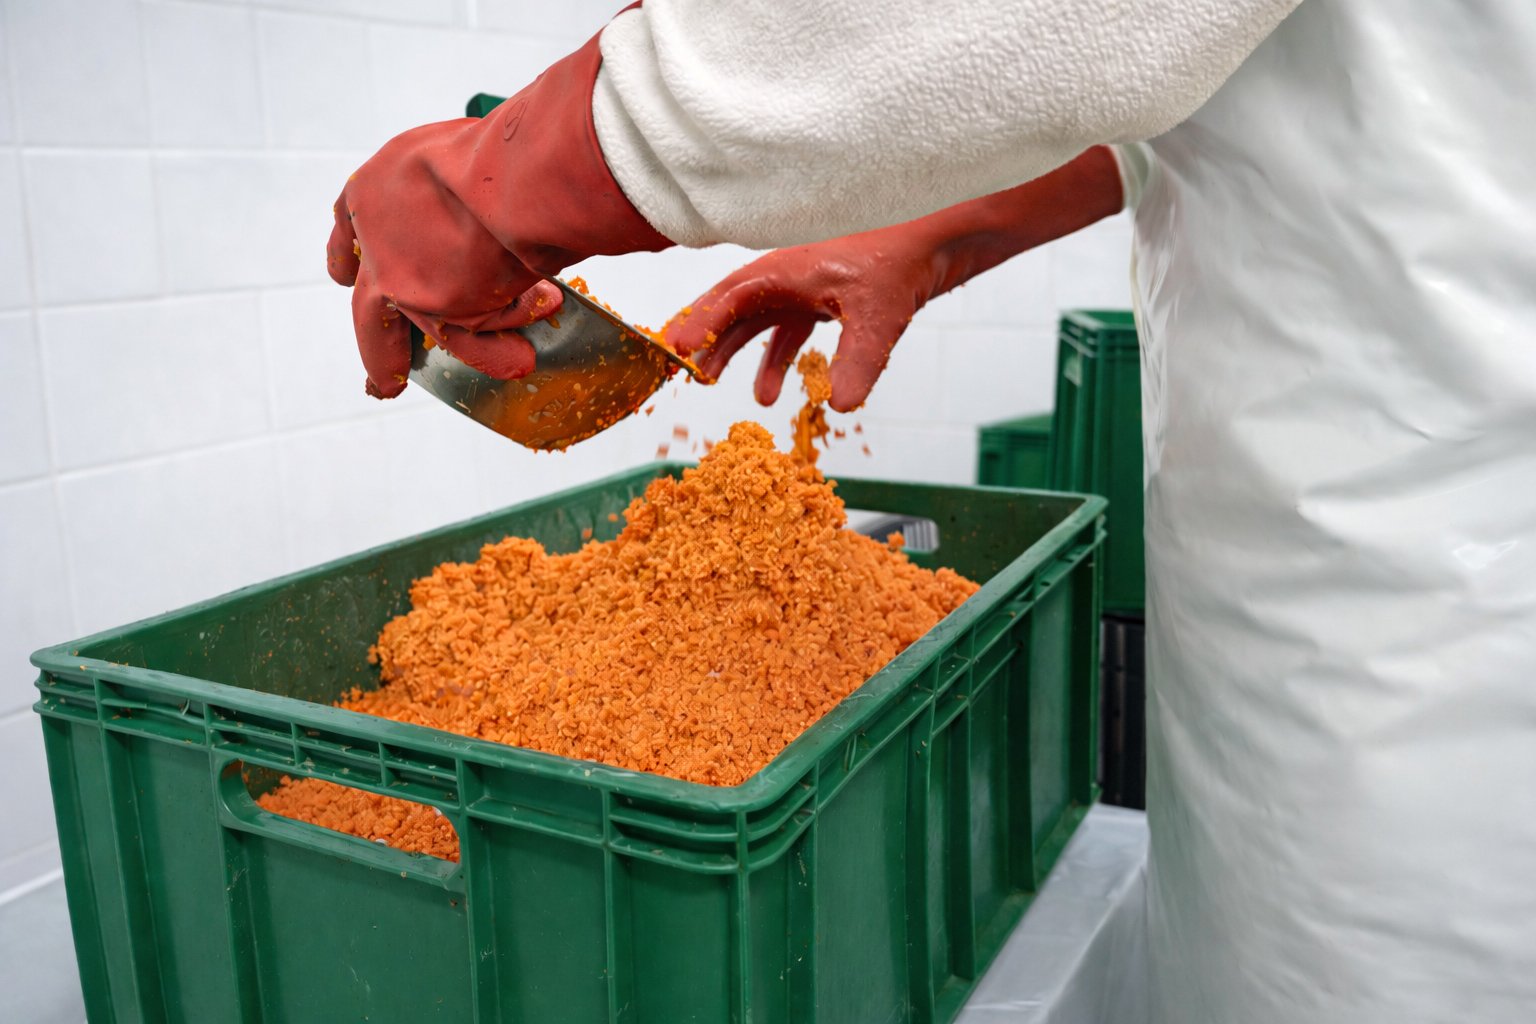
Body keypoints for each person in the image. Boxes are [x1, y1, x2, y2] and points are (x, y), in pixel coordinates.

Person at [326, 2, 1536, 1021]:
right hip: (1311, 586)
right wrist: (930, 241)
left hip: (1438, 648)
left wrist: (501, 180)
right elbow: (1203, 83)